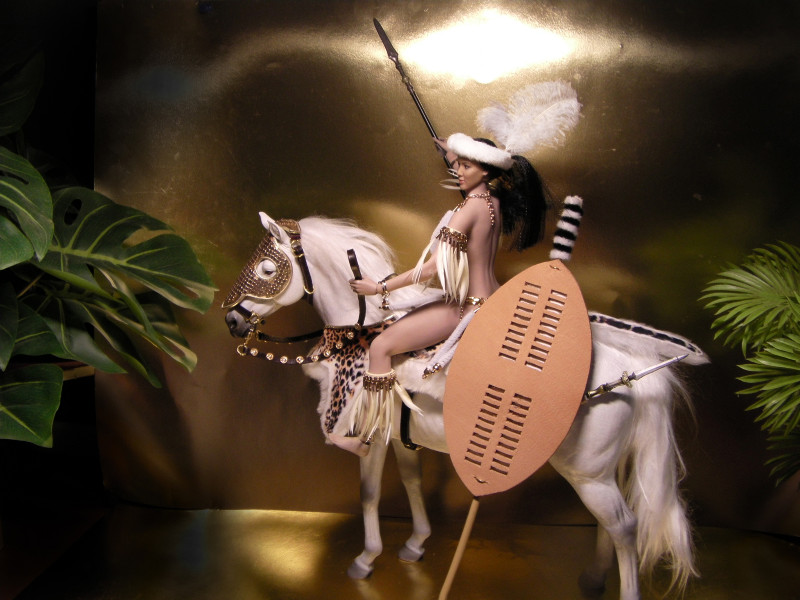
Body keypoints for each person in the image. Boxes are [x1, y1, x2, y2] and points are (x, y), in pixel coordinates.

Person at [328, 133, 551, 457]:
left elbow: (432, 268)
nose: (457, 171)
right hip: (493, 298)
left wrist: (379, 287)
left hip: (467, 307)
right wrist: (453, 151)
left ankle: (363, 436)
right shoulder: (493, 202)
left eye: (465, 166)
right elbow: (473, 175)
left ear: (485, 170)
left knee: (380, 346)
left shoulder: (468, 210)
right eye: (456, 164)